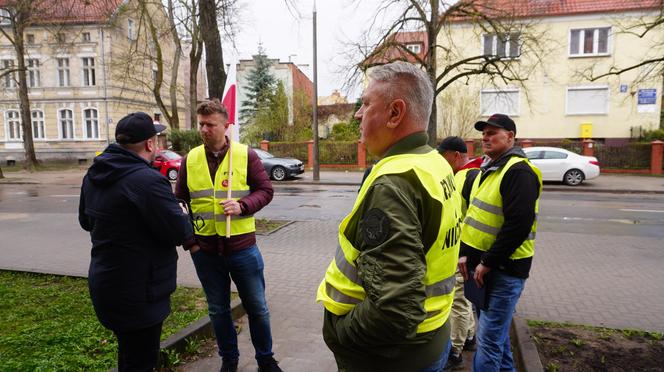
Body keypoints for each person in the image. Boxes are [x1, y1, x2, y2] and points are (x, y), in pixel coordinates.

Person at [316, 61, 462, 372]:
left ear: (395, 113)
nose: (358, 113)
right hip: (430, 340)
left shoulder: (394, 182)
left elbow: (394, 310)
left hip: (389, 359)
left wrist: (341, 336)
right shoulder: (434, 163)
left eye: (367, 103)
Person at [79, 112, 193, 371]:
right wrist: (182, 213)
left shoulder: (95, 174)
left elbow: (86, 221)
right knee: (141, 360)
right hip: (141, 293)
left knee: (129, 356)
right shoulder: (147, 181)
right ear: (150, 144)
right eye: (158, 139)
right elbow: (179, 232)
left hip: (107, 285)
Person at [174, 99, 281, 372]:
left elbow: (265, 191)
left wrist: (243, 205)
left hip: (243, 249)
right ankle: (229, 361)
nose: (204, 129)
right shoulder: (191, 159)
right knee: (218, 311)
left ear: (225, 126)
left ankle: (266, 360)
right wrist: (190, 243)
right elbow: (179, 204)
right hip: (206, 252)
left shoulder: (246, 155)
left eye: (210, 124)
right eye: (201, 124)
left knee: (257, 308)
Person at [457, 114, 542, 372]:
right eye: (484, 133)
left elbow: (518, 226)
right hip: (482, 269)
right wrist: (464, 255)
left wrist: (487, 262)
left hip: (503, 271)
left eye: (493, 132)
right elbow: (473, 218)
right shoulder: (489, 169)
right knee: (496, 338)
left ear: (510, 137)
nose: (486, 137)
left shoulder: (518, 172)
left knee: (488, 341)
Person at [437, 136, 480, 370]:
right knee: (464, 300)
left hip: (461, 250)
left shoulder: (465, 176)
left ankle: (455, 350)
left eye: (443, 157)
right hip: (464, 249)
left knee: (459, 302)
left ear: (455, 156)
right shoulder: (470, 173)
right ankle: (471, 337)